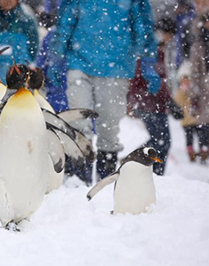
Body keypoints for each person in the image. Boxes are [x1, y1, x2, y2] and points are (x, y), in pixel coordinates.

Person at [47, 0, 160, 180]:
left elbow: (143, 26)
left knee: (108, 127)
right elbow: (65, 21)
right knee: (78, 121)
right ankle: (79, 181)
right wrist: (56, 55)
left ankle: (104, 182)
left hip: (116, 66)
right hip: (79, 62)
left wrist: (148, 61)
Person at [127, 17, 184, 175]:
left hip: (150, 101)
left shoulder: (154, 49)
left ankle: (142, 167)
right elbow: (154, 79)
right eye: (169, 35)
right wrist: (168, 101)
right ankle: (144, 169)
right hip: (149, 102)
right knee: (162, 142)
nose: (170, 39)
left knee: (160, 141)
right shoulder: (152, 50)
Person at [188, 11, 209, 164]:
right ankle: (203, 149)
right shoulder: (199, 44)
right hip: (204, 90)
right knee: (203, 124)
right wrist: (194, 93)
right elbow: (195, 71)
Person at [174, 60, 201, 162]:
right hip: (186, 120)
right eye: (183, 79)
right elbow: (177, 102)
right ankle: (190, 153)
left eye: (187, 79)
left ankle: (202, 151)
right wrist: (183, 92)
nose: (185, 81)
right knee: (189, 138)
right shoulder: (180, 91)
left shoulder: (195, 90)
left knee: (201, 136)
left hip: (196, 118)